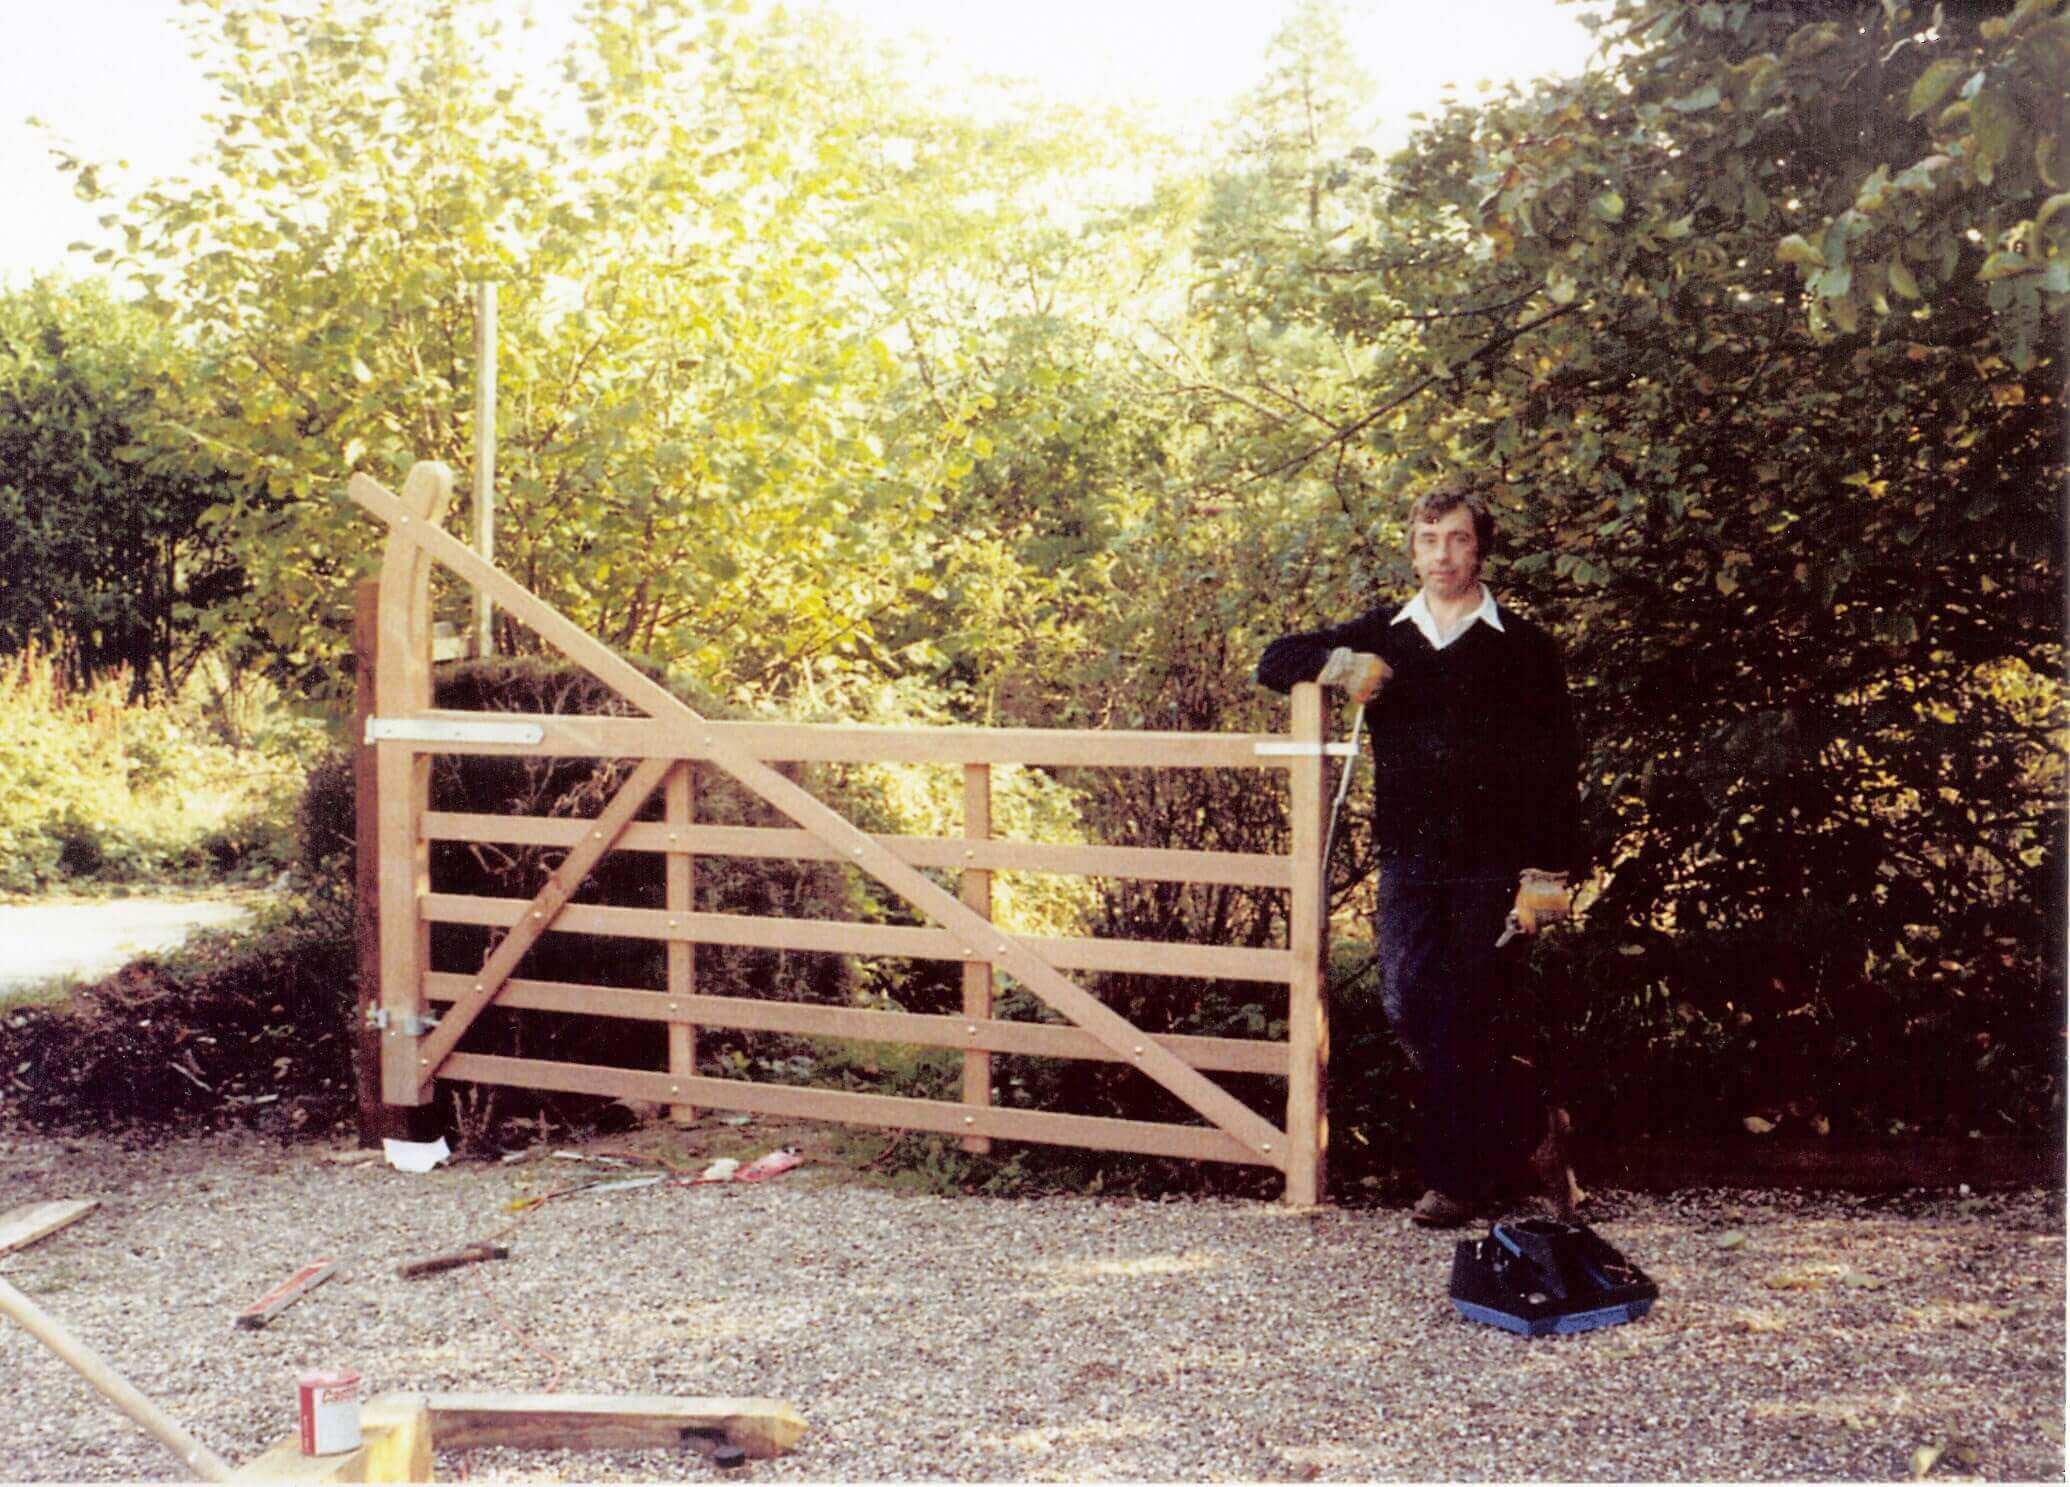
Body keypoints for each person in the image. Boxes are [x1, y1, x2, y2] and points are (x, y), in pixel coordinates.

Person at [1256, 479, 1582, 1227]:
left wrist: (1549, 872)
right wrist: (1340, 667)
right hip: (1409, 857)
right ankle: (1529, 1130)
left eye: (1458, 539)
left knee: (1464, 1010)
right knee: (1407, 1001)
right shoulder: (1389, 634)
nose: (1443, 554)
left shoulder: (1524, 648)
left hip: (1493, 863)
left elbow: (1556, 763)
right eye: (1429, 539)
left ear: (1481, 548)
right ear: (1412, 548)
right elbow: (1275, 658)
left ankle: (1452, 1183)